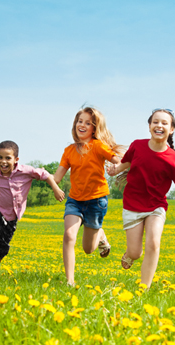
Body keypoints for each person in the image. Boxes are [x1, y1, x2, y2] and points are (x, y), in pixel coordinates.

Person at [107, 109, 175, 289]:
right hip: (132, 204)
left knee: (153, 243)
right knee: (135, 252)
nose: (159, 125)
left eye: (165, 123)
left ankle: (144, 287)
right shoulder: (137, 146)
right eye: (155, 122)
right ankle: (130, 254)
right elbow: (127, 162)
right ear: (149, 126)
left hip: (156, 206)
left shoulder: (174, 160)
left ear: (171, 129)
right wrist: (115, 170)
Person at [0, 141, 65, 274]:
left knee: (2, 247)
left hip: (11, 216)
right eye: (0, 157)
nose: (3, 161)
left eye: (8, 158)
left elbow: (45, 175)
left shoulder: (26, 171)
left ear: (16, 159)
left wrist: (56, 188)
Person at [53, 106, 124, 286]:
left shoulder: (98, 146)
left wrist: (116, 169)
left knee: (88, 249)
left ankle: (100, 234)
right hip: (75, 201)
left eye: (88, 123)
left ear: (94, 128)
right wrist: (41, 176)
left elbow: (118, 161)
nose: (82, 125)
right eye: (80, 121)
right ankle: (70, 281)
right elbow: (57, 177)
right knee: (69, 235)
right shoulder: (69, 150)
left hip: (96, 201)